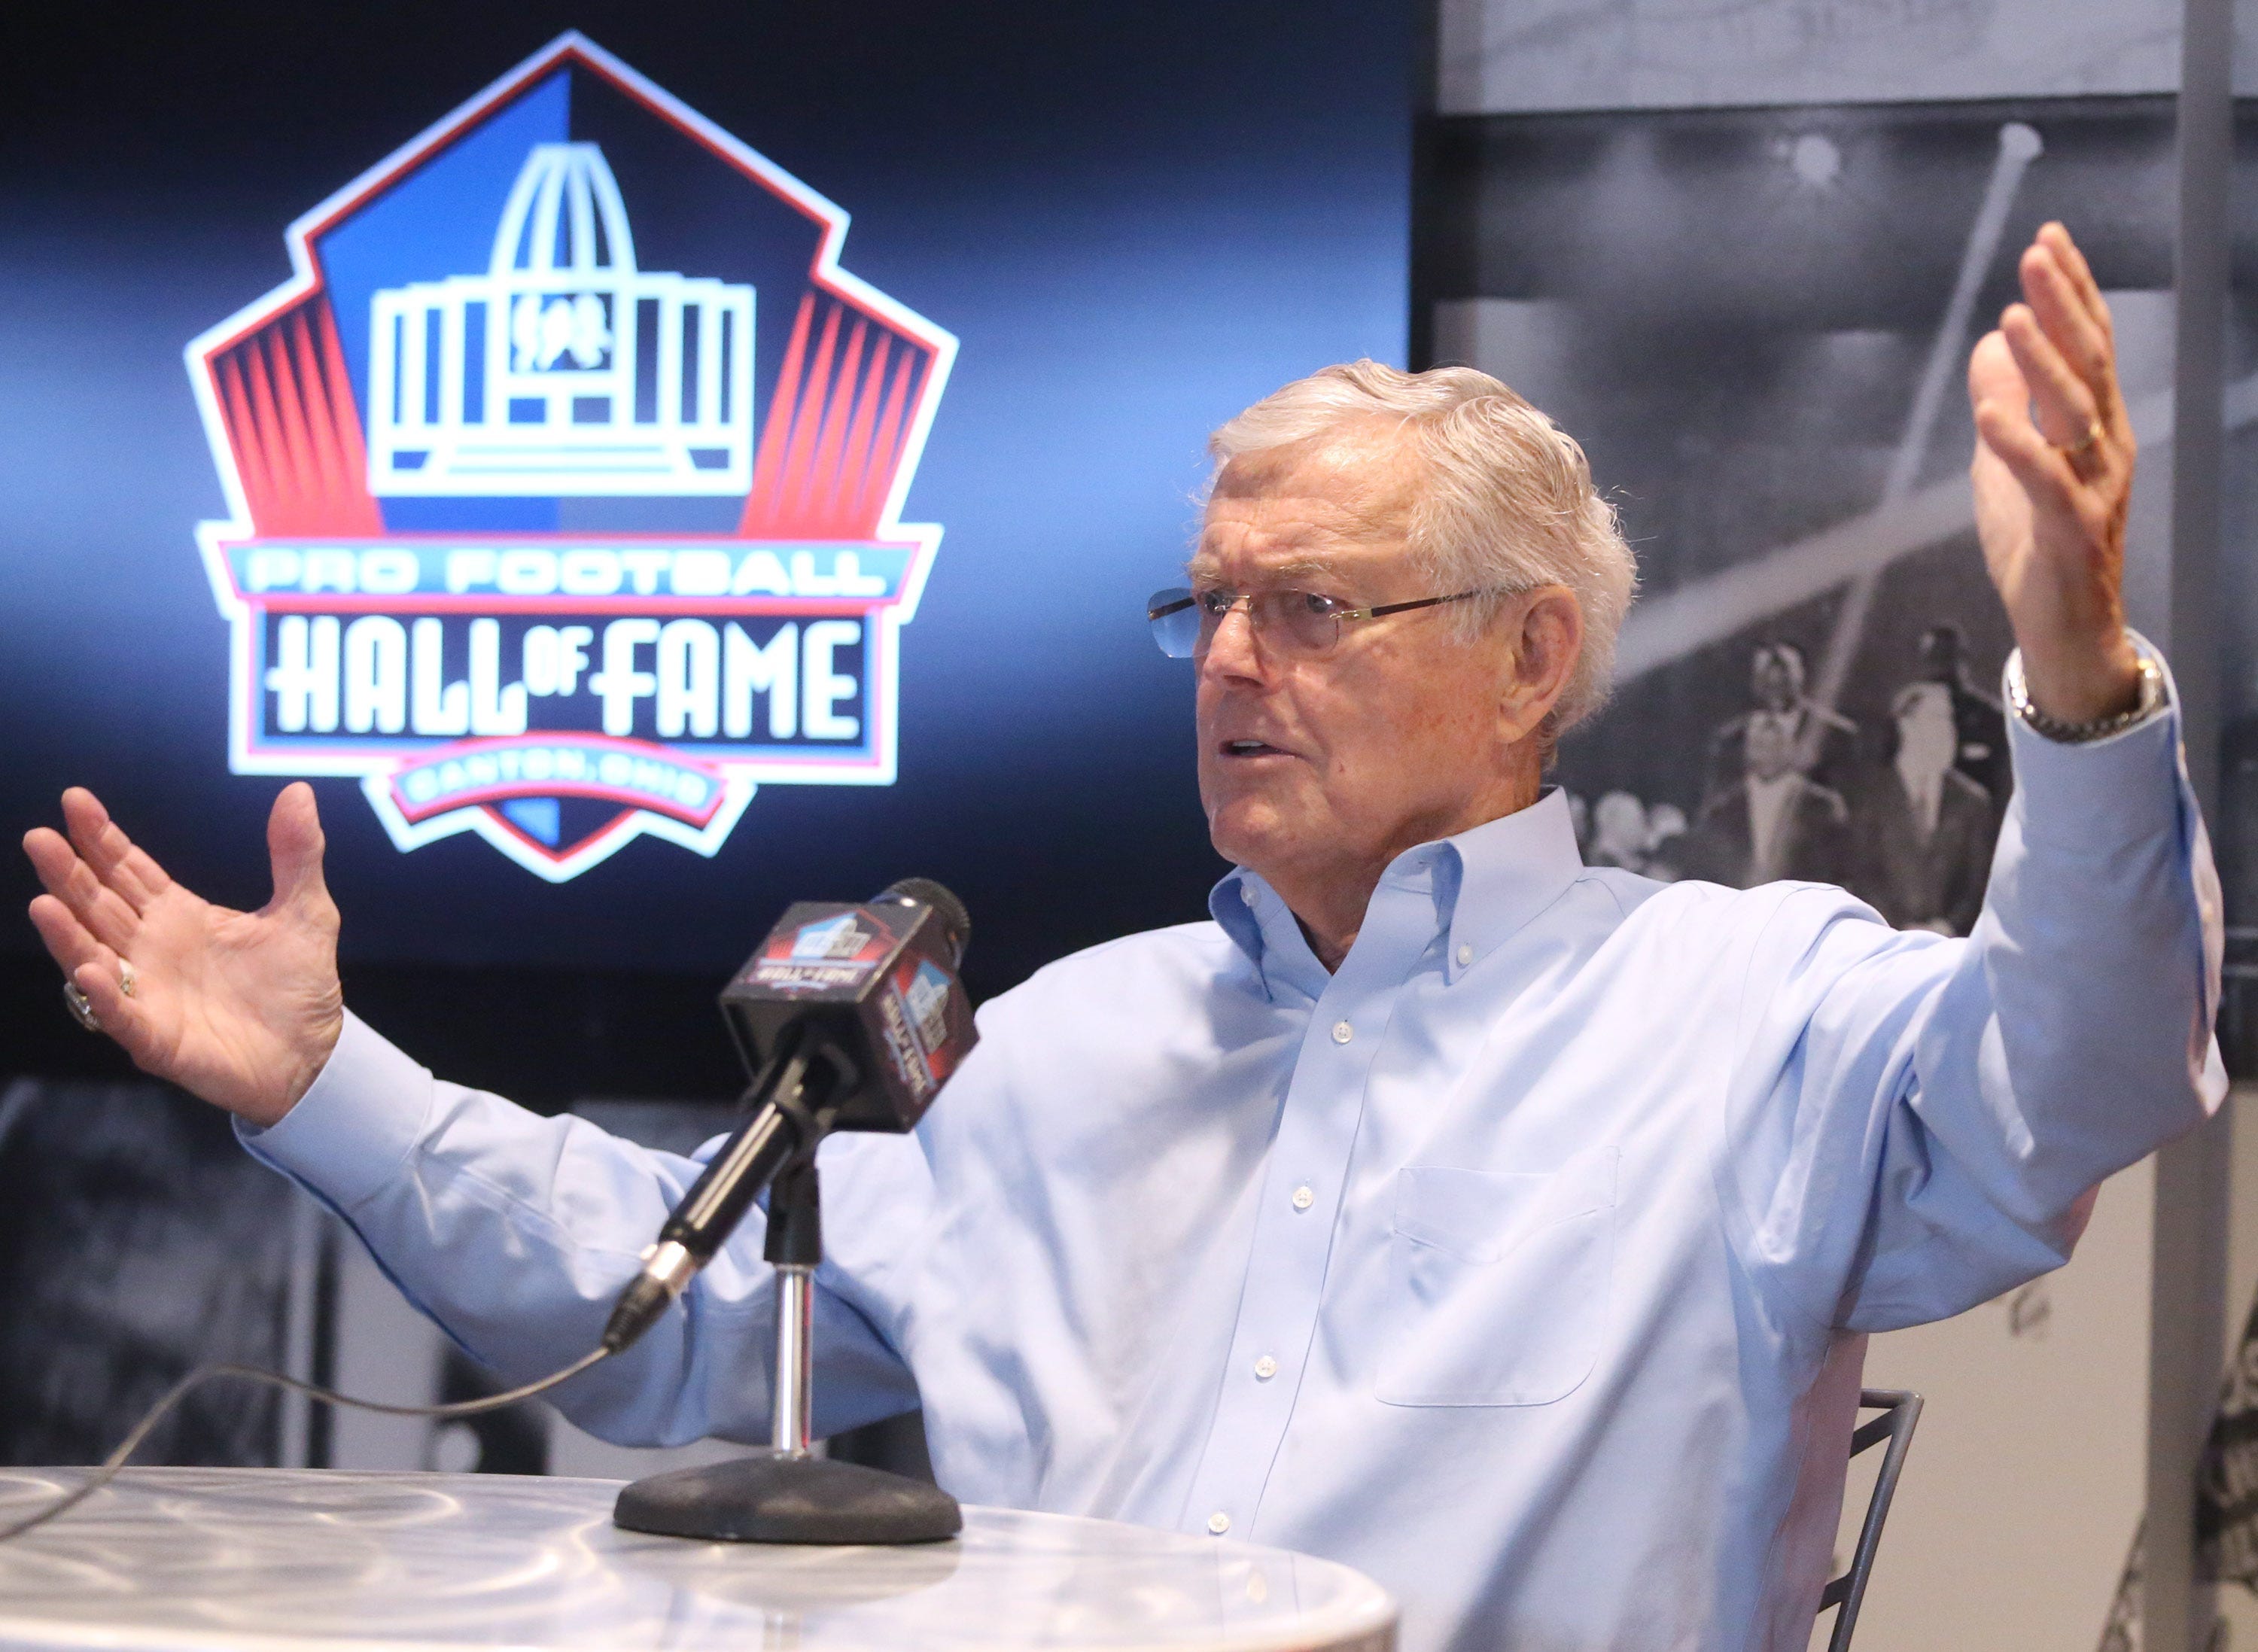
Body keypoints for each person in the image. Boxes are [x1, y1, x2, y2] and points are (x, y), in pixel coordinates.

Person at [23, 224, 2222, 1652]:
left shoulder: (1744, 1016)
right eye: (1208, 603)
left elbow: (2084, 1066)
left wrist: (2078, 674)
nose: (1228, 660)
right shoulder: (1074, 1048)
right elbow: (680, 1305)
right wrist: (330, 1077)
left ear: (1529, 655)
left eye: (1311, 606)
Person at [1850, 680, 1995, 936]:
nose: (1949, 730)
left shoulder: (1973, 801)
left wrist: (1947, 927)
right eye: (1937, 719)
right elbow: (1862, 874)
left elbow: (1980, 884)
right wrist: (1897, 928)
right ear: (1905, 725)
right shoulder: (1869, 797)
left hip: (1951, 948)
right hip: (1885, 944)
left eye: (1950, 720)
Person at [1681, 713, 1850, 887]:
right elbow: (1701, 876)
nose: (1767, 749)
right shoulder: (1719, 811)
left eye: (1777, 741)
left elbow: (1839, 874)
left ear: (1795, 745)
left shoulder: (1824, 808)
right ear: (1747, 745)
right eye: (1760, 742)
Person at [1704, 640, 1861, 801]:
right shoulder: (1730, 740)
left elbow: (1850, 803)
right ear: (1755, 682)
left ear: (1801, 676)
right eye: (1766, 678)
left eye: (1784, 677)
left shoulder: (1835, 734)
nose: (1775, 682)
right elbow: (1715, 805)